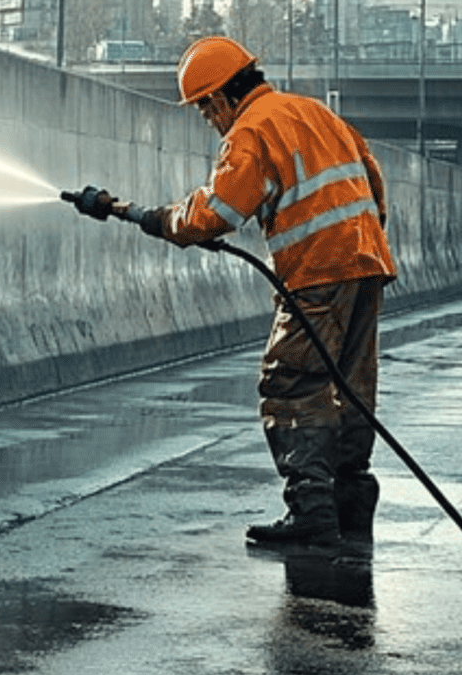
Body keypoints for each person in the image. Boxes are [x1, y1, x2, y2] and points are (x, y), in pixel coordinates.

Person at [133, 36, 396, 549]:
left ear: (223, 97)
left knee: (293, 384)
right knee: (350, 387)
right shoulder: (311, 110)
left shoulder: (251, 129)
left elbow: (219, 213)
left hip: (318, 273)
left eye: (204, 107)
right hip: (367, 262)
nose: (207, 119)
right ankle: (351, 505)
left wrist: (169, 221)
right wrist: (366, 236)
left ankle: (312, 511)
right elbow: (372, 173)